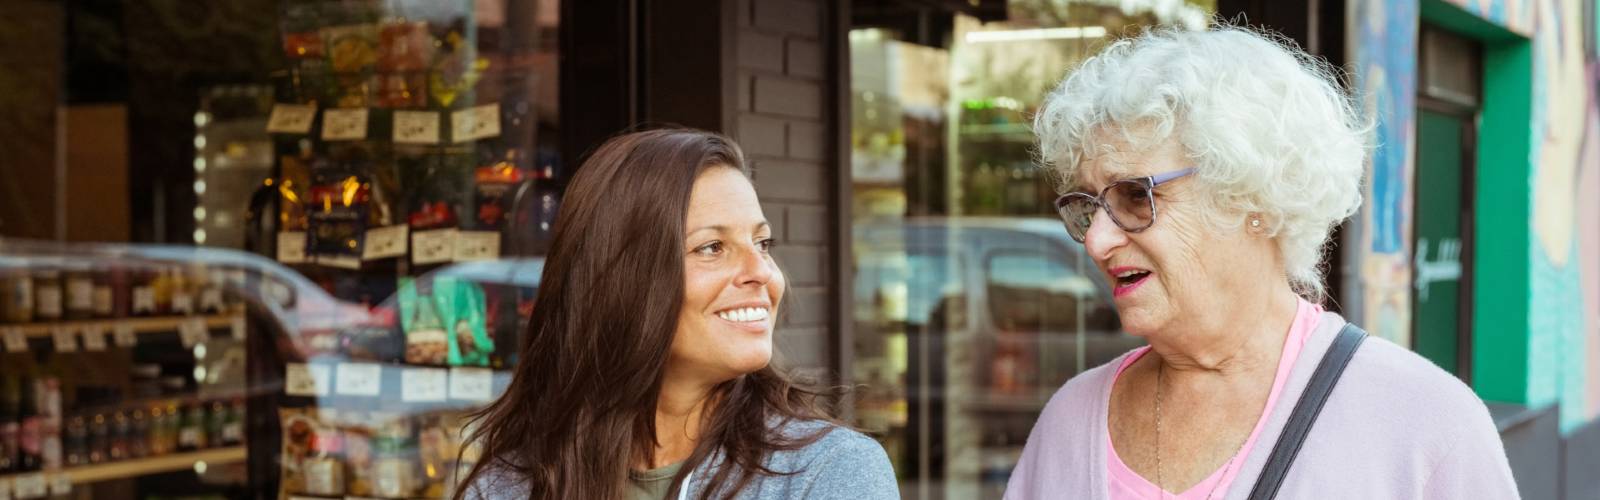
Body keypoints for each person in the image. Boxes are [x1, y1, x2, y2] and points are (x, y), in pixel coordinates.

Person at [1005, 26, 1518, 499]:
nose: (1096, 242)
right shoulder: (1069, 422)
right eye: (1088, 208)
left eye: (1136, 197)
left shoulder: (1426, 427)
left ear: (1253, 199)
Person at [452, 128, 897, 500]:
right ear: (622, 278)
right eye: (712, 247)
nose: (761, 272)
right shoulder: (510, 484)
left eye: (762, 244)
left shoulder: (829, 474)